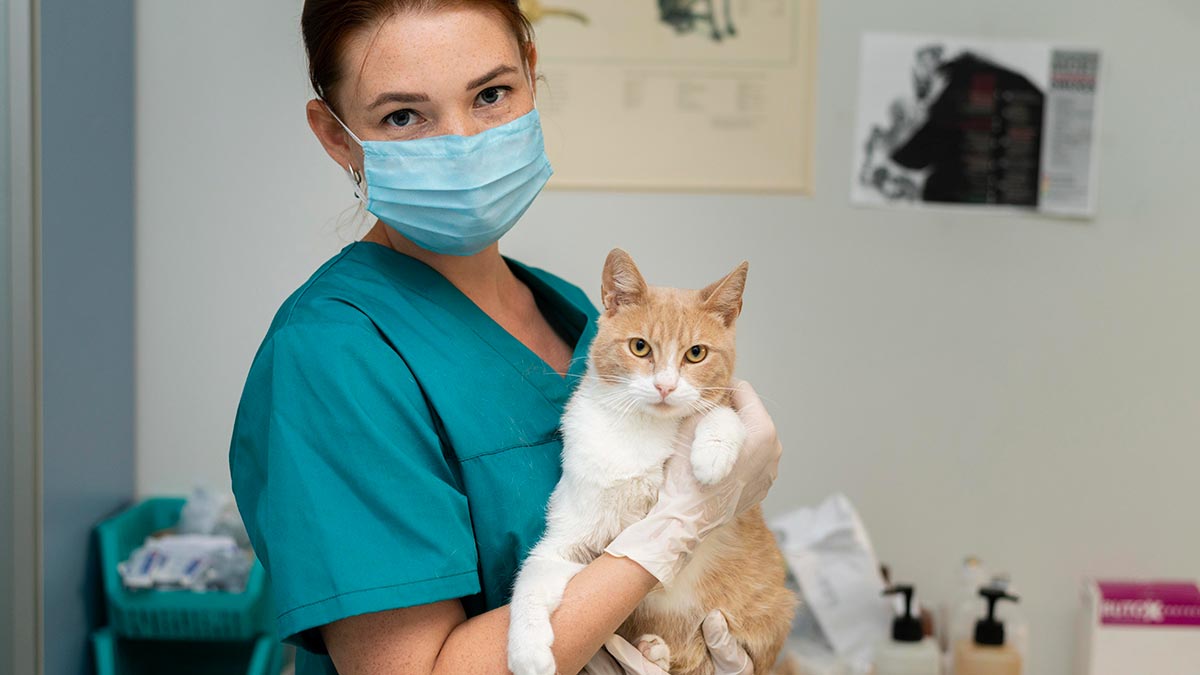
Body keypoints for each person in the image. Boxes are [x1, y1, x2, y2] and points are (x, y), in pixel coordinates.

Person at [228, 2, 784, 674]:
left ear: (531, 73)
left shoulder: (574, 315)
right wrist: (673, 529)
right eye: (403, 116)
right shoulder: (332, 355)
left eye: (491, 94)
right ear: (338, 136)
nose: (462, 140)